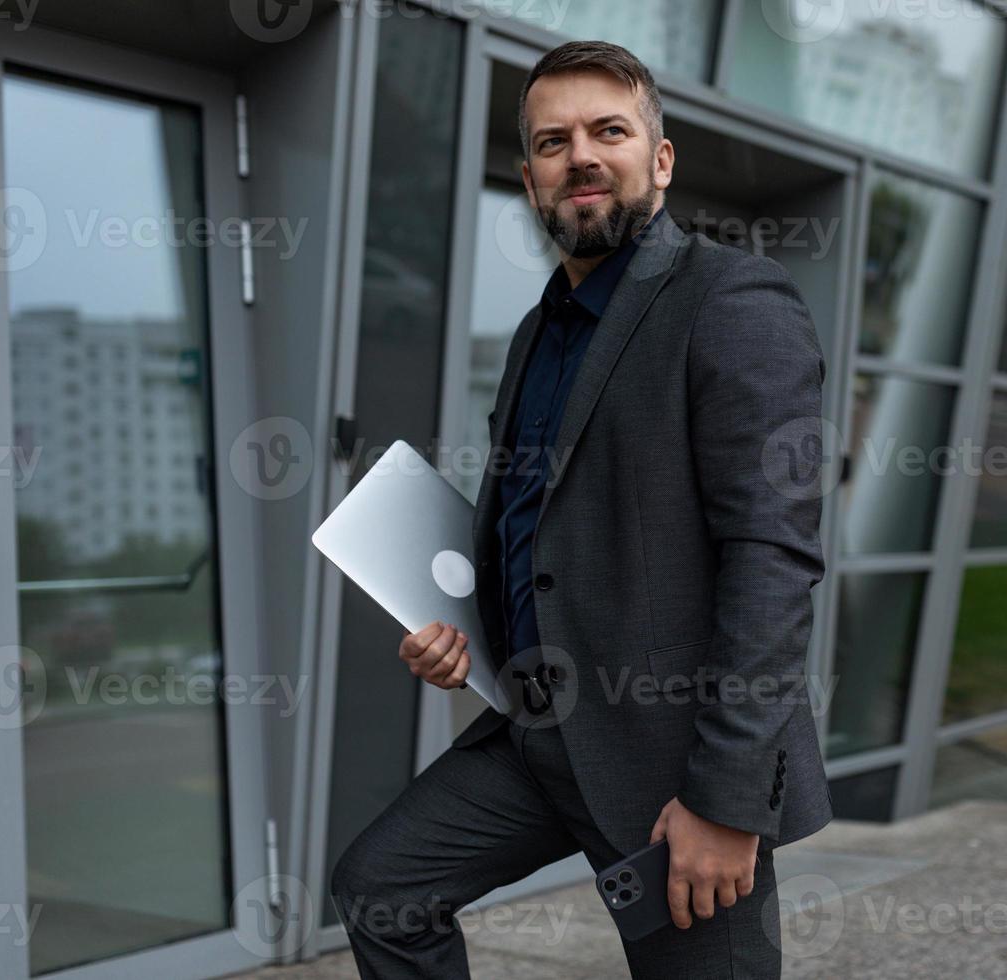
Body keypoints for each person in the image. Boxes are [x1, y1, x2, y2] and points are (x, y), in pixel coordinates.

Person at [331, 38, 832, 979]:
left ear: (662, 159)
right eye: (555, 143)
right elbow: (544, 530)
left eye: (609, 130)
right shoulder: (536, 333)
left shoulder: (731, 300)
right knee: (383, 890)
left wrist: (726, 802)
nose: (583, 157)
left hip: (668, 762)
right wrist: (461, 637)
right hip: (537, 732)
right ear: (530, 180)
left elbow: (774, 557)